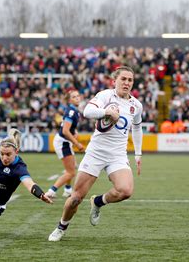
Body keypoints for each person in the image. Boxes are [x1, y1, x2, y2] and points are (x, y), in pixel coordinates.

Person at [48, 66, 143, 242]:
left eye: (130, 80)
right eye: (123, 79)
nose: (127, 83)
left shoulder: (136, 105)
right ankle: (61, 226)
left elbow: (137, 128)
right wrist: (107, 112)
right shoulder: (105, 95)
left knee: (126, 191)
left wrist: (138, 154)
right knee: (76, 198)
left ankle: (98, 202)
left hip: (118, 155)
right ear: (115, 80)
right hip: (96, 152)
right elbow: (87, 112)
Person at [46, 89, 84, 199]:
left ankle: (67, 190)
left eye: (78, 96)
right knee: (71, 172)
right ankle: (51, 191)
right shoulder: (71, 112)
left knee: (71, 169)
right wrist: (77, 143)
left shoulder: (73, 110)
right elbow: (65, 131)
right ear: (69, 100)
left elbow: (68, 128)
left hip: (65, 142)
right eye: (74, 97)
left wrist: (74, 132)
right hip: (63, 143)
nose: (77, 98)